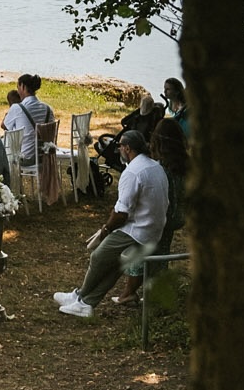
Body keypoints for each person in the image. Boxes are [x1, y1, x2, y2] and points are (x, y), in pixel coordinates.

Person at [54, 130, 169, 318]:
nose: (119, 150)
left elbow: (121, 213)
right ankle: (85, 303)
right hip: (154, 228)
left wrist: (106, 229)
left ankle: (80, 297)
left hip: (138, 230)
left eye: (120, 147)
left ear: (127, 148)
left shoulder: (132, 172)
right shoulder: (156, 166)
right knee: (116, 265)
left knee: (98, 257)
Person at [115, 118, 188, 304]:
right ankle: (147, 292)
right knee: (160, 252)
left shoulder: (161, 167)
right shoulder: (183, 163)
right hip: (178, 216)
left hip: (163, 216)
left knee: (143, 251)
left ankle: (133, 293)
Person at [3, 74, 54, 163]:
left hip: (25, 157)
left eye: (18, 87)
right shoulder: (48, 109)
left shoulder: (17, 108)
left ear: (23, 86)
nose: (18, 91)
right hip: (45, 156)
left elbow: (5, 126)